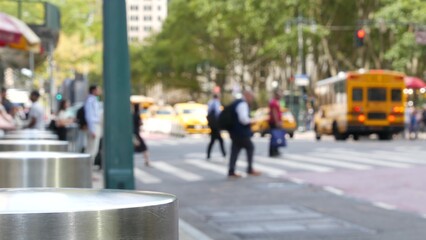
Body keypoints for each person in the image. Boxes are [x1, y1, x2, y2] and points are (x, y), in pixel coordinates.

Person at [227, 89, 261, 178]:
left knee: (235, 150)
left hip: (235, 132)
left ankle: (231, 170)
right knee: (250, 147)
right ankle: (249, 169)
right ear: (247, 95)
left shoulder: (237, 103)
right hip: (241, 132)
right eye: (252, 97)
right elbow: (244, 120)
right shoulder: (242, 104)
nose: (252, 99)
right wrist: (252, 120)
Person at [84, 85, 103, 164]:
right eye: (98, 89)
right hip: (94, 126)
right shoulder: (91, 101)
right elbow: (90, 116)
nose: (99, 91)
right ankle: (87, 170)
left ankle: (88, 170)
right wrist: (92, 130)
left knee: (92, 149)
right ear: (93, 90)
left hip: (95, 126)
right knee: (92, 149)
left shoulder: (94, 100)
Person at [206, 93, 226, 160]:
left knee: (213, 140)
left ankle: (208, 154)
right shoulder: (216, 103)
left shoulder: (210, 102)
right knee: (220, 140)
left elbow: (208, 112)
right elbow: (218, 113)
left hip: (212, 124)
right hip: (215, 124)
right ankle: (224, 153)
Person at [268, 90, 282, 157]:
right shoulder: (273, 102)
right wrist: (277, 122)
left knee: (276, 137)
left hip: (275, 122)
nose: (280, 96)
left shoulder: (276, 102)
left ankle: (275, 150)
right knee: (274, 137)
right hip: (274, 122)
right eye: (279, 95)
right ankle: (273, 151)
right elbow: (274, 113)